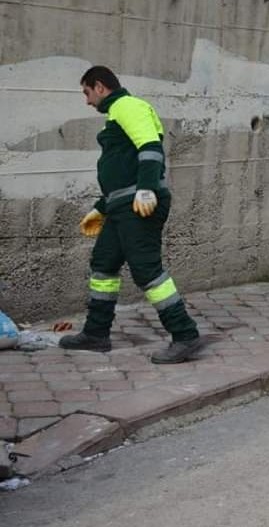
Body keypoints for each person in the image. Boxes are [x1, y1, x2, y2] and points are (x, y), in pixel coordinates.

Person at [59, 66, 202, 364]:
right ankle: (96, 335)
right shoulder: (116, 115)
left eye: (87, 93)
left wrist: (147, 189)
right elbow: (120, 171)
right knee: (104, 263)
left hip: (141, 204)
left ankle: (185, 334)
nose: (87, 101)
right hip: (124, 205)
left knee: (146, 269)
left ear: (99, 87)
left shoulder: (127, 106)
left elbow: (150, 148)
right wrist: (101, 209)